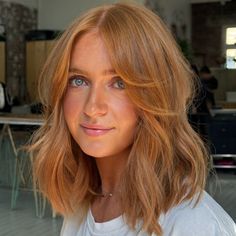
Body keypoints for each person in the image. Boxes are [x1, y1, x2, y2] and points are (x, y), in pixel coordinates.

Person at [29, 3, 236, 236]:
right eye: (78, 80)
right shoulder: (83, 204)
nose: (93, 107)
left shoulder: (192, 224)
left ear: (158, 95)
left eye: (120, 83)